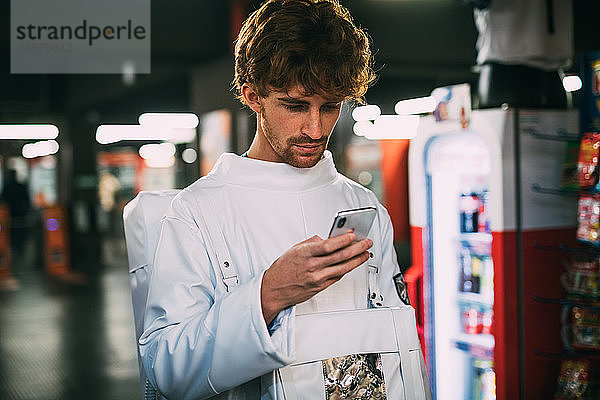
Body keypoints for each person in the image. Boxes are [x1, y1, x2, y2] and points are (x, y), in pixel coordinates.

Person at [139, 1, 409, 398]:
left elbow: (397, 350)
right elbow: (166, 366)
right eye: (295, 106)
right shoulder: (197, 212)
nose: (315, 128)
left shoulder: (365, 208)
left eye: (330, 107)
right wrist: (267, 294)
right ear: (253, 96)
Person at [1, 169, 31, 259]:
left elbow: (3, 200)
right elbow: (27, 200)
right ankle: (19, 248)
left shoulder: (7, 187)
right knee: (20, 232)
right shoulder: (20, 186)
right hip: (19, 212)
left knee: (13, 232)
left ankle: (15, 247)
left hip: (11, 213)